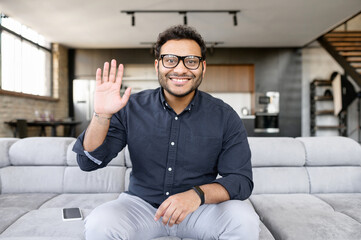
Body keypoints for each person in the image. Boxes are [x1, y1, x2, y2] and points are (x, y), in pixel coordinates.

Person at [73, 25, 260, 240]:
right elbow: (88, 162)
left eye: (190, 61)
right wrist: (102, 115)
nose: (180, 70)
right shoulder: (130, 108)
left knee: (243, 220)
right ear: (158, 65)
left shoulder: (225, 116)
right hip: (141, 207)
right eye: (170, 60)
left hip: (199, 209)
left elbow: (241, 180)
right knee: (100, 223)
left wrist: (197, 195)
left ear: (203, 67)